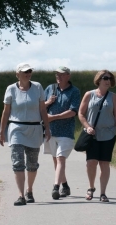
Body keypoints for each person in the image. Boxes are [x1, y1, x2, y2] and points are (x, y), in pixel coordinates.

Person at [0, 63, 51, 206]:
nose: (27, 74)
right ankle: (21, 195)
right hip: (16, 129)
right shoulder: (11, 89)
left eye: (29, 71)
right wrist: (1, 131)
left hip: (34, 129)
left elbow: (42, 109)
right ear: (17, 74)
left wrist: (47, 128)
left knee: (32, 164)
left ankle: (29, 190)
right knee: (17, 162)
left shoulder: (38, 87)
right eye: (24, 71)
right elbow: (6, 111)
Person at [77, 69, 116, 202]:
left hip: (109, 134)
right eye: (105, 78)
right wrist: (88, 127)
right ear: (99, 80)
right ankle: (91, 188)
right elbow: (81, 114)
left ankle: (103, 193)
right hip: (92, 135)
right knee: (91, 162)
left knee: (104, 164)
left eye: (109, 78)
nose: (107, 80)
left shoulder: (113, 97)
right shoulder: (89, 95)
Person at [44, 66, 81, 200]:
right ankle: (65, 185)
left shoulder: (74, 91)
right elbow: (40, 106)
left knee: (60, 159)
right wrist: (48, 102)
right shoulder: (50, 88)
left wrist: (53, 117)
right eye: (57, 74)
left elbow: (73, 111)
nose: (58, 77)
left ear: (68, 76)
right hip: (51, 131)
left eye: (61, 74)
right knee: (56, 160)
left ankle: (55, 187)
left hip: (66, 132)